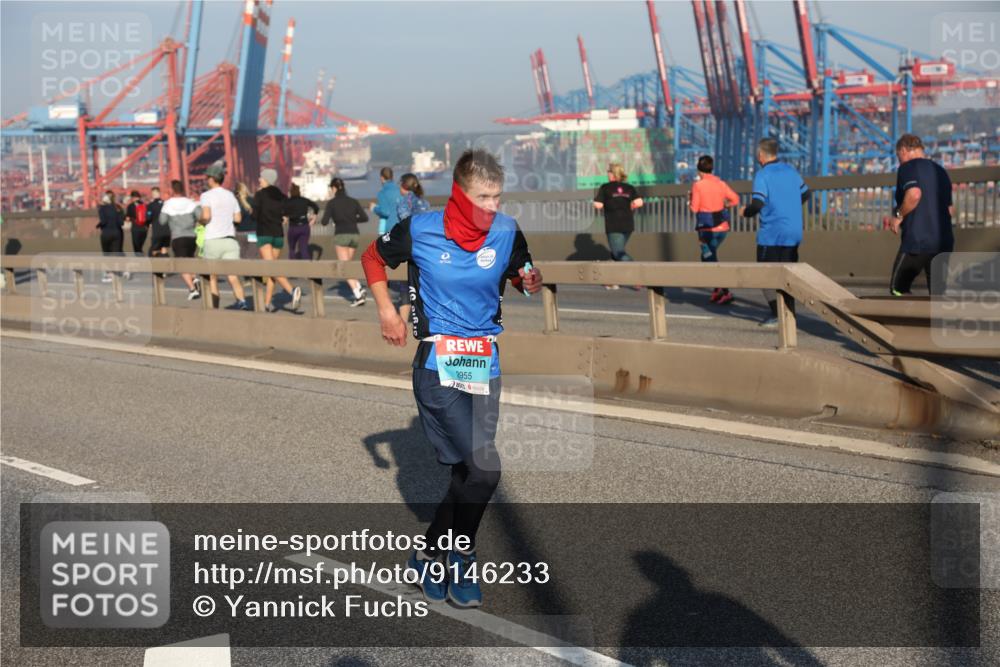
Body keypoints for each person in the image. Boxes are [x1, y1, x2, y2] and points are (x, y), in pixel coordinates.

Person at [361, 149, 543, 608]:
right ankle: (463, 556)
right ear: (459, 194)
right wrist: (387, 311)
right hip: (437, 364)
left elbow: (520, 273)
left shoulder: (505, 230)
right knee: (485, 468)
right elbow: (371, 258)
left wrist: (530, 280)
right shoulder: (421, 228)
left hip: (485, 361)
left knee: (470, 473)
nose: (493, 206)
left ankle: (430, 554)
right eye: (483, 197)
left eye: (498, 197)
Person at [742, 137, 811, 328]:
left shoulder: (762, 175)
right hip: (793, 232)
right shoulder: (791, 171)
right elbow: (806, 193)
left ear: (761, 155)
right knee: (787, 277)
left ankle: (776, 315)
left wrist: (745, 212)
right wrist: (788, 207)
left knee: (764, 276)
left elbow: (757, 204)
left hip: (772, 234)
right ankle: (789, 313)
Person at [887, 134, 954, 296]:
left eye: (898, 157)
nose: (899, 161)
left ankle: (903, 320)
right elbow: (950, 209)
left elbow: (914, 194)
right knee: (938, 295)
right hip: (944, 242)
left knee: (898, 289)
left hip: (917, 242)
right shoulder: (941, 171)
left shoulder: (907, 167)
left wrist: (898, 215)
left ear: (903, 150)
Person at [199, 162, 250, 310]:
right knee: (233, 276)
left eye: (207, 177)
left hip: (213, 240)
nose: (206, 180)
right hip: (230, 240)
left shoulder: (206, 195)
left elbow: (206, 216)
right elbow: (238, 219)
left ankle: (214, 309)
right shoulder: (230, 195)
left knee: (212, 277)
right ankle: (242, 302)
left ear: (211, 179)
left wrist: (200, 221)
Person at [689, 155, 739, 305]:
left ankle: (725, 291)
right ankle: (717, 289)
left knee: (708, 257)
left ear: (699, 170)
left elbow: (694, 208)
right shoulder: (721, 183)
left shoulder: (698, 185)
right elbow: (735, 199)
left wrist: (690, 199)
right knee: (710, 256)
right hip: (722, 228)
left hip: (706, 230)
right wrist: (725, 205)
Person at [252, 168, 301, 312]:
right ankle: (267, 303)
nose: (259, 180)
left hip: (264, 234)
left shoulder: (259, 195)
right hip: (278, 235)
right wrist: (283, 217)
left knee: (271, 268)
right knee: (272, 270)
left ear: (266, 179)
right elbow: (288, 212)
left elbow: (254, 216)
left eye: (261, 178)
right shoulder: (282, 196)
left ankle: (292, 291)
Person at [593, 162, 643, 290]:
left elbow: (597, 205)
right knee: (616, 253)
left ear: (613, 174)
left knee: (618, 252)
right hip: (628, 224)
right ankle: (612, 280)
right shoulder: (629, 187)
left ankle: (638, 276)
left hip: (613, 224)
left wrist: (605, 205)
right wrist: (630, 206)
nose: (607, 174)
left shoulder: (605, 188)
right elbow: (639, 202)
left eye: (609, 172)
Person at [320, 177, 369, 306]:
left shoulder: (332, 203)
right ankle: (358, 286)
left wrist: (336, 220)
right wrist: (351, 220)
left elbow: (324, 222)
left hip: (341, 235)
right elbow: (364, 217)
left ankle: (358, 294)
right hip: (354, 235)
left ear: (334, 188)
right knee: (349, 264)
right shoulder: (353, 201)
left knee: (344, 267)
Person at [394, 173, 431, 322]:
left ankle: (403, 323)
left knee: (405, 286)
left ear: (403, 186)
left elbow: (405, 224)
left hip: (411, 247)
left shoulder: (404, 201)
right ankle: (426, 319)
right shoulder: (424, 202)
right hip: (427, 247)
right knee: (425, 285)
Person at [159, 179, 201, 300]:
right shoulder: (191, 202)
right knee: (190, 259)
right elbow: (200, 215)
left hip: (178, 237)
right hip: (192, 237)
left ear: (172, 190)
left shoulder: (168, 204)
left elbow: (162, 221)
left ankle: (192, 289)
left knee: (181, 264)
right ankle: (194, 277)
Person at [283, 182, 319, 260]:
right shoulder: (304, 200)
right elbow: (316, 206)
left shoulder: (287, 202)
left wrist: (286, 218)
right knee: (304, 249)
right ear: (299, 192)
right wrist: (314, 218)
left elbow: (284, 213)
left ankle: (292, 268)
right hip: (304, 227)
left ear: (290, 192)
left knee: (292, 249)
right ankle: (307, 269)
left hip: (293, 227)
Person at [97, 190, 125, 283]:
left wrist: (99, 225)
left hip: (106, 233)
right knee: (117, 252)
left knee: (107, 253)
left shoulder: (102, 208)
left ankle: (109, 273)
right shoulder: (118, 208)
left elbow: (103, 221)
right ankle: (118, 271)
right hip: (117, 232)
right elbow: (121, 222)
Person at [372, 166, 402, 235]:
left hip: (388, 228)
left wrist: (374, 208)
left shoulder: (383, 192)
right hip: (401, 227)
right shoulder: (400, 190)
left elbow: (385, 212)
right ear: (392, 176)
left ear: (382, 178)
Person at [125, 190, 150, 256]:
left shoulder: (130, 206)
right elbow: (148, 216)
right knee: (140, 246)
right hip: (144, 228)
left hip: (135, 228)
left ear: (132, 197)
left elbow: (127, 219)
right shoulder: (145, 205)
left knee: (137, 247)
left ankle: (139, 260)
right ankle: (141, 256)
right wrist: (147, 225)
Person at [146, 187, 169, 257]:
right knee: (164, 248)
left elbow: (148, 217)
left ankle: (156, 263)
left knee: (154, 249)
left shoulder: (150, 205)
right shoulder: (165, 204)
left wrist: (147, 224)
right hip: (166, 230)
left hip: (157, 230)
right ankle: (165, 263)